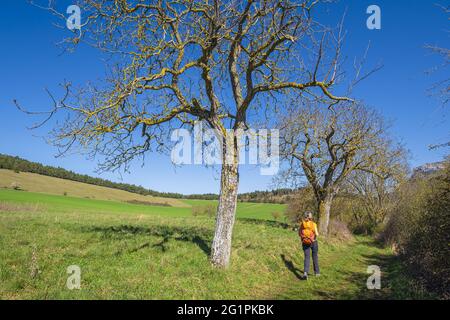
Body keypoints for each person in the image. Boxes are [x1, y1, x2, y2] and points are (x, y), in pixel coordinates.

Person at [299, 211, 320, 279]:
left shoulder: (302, 224)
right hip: (313, 242)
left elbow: (299, 233)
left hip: (305, 242)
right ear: (311, 217)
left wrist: (305, 237)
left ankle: (305, 273)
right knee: (315, 257)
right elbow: (317, 234)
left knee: (307, 258)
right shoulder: (313, 224)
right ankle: (317, 273)